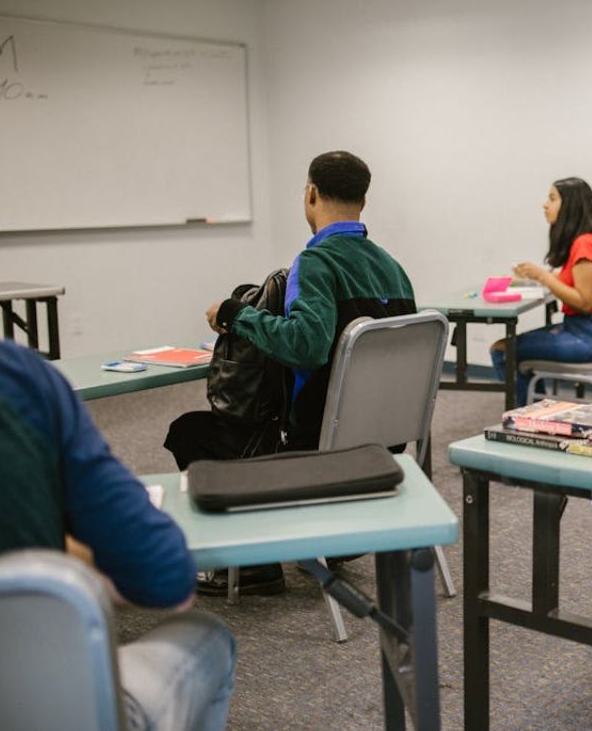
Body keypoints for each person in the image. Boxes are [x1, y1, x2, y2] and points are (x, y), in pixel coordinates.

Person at [165, 150, 416, 595]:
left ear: (311, 194)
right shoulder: (394, 268)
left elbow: (307, 344)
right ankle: (334, 534)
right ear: (364, 200)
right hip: (382, 446)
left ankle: (255, 565)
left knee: (191, 432)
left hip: (319, 447)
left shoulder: (316, 262)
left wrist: (233, 314)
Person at [0, 336, 236, 731]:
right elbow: (166, 580)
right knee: (210, 636)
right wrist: (62, 554)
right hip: (44, 718)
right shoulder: (8, 376)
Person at [490, 177, 592, 407]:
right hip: (587, 330)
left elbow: (584, 301)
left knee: (502, 350)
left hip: (589, 337)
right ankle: (535, 409)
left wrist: (544, 276)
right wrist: (542, 277)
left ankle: (526, 415)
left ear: (570, 205)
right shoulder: (587, 241)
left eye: (552, 199)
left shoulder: (586, 245)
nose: (545, 205)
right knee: (515, 351)